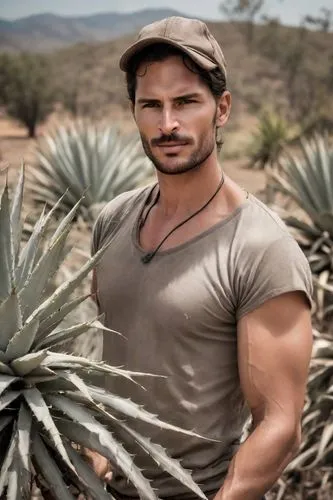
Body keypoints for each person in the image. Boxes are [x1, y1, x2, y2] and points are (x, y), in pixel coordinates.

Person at [90, 16, 313, 500]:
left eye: (186, 102)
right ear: (134, 112)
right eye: (151, 105)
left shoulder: (261, 248)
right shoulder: (113, 220)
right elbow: (116, 354)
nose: (167, 124)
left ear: (222, 108)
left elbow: (280, 426)